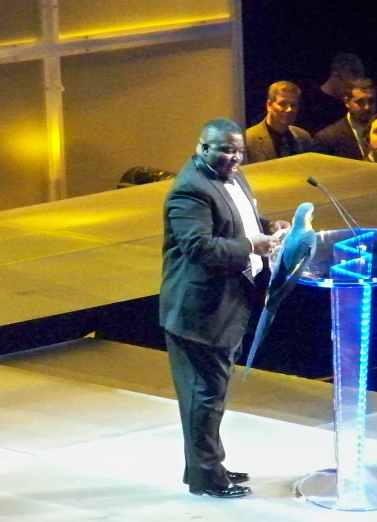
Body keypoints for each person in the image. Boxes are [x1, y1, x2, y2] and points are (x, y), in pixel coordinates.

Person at [159, 118, 291, 499]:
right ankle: (207, 479)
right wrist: (255, 247)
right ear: (203, 148)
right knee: (204, 396)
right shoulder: (190, 190)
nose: (235, 157)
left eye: (238, 151)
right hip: (200, 311)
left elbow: (239, 222)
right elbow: (199, 247)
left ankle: (208, 467)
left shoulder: (233, 176)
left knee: (208, 394)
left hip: (225, 305)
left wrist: (268, 227)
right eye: (226, 150)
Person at [297, 52, 366, 135]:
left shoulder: (349, 104)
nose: (350, 91)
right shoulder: (309, 101)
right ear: (334, 75)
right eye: (347, 85)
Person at [245, 81, 313, 163]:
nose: (289, 109)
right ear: (269, 105)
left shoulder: (303, 137)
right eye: (283, 104)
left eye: (293, 105)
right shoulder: (249, 139)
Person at [313, 78, 377, 160]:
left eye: (371, 101)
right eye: (360, 101)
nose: (367, 107)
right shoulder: (328, 138)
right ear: (347, 102)